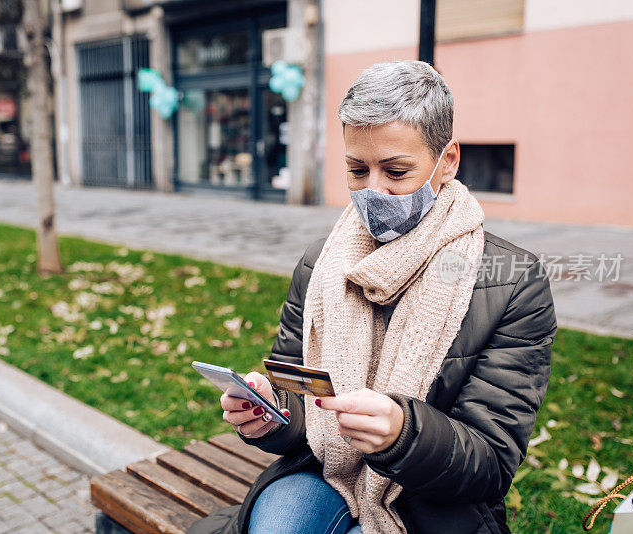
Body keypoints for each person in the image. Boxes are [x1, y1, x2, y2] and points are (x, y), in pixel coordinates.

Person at [187, 60, 557, 534]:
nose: (374, 191)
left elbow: (490, 463)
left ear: (448, 161)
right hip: (325, 474)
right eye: (357, 169)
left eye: (397, 171)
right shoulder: (321, 261)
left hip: (431, 504)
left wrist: (405, 434)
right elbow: (300, 399)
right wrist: (271, 415)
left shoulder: (513, 283)